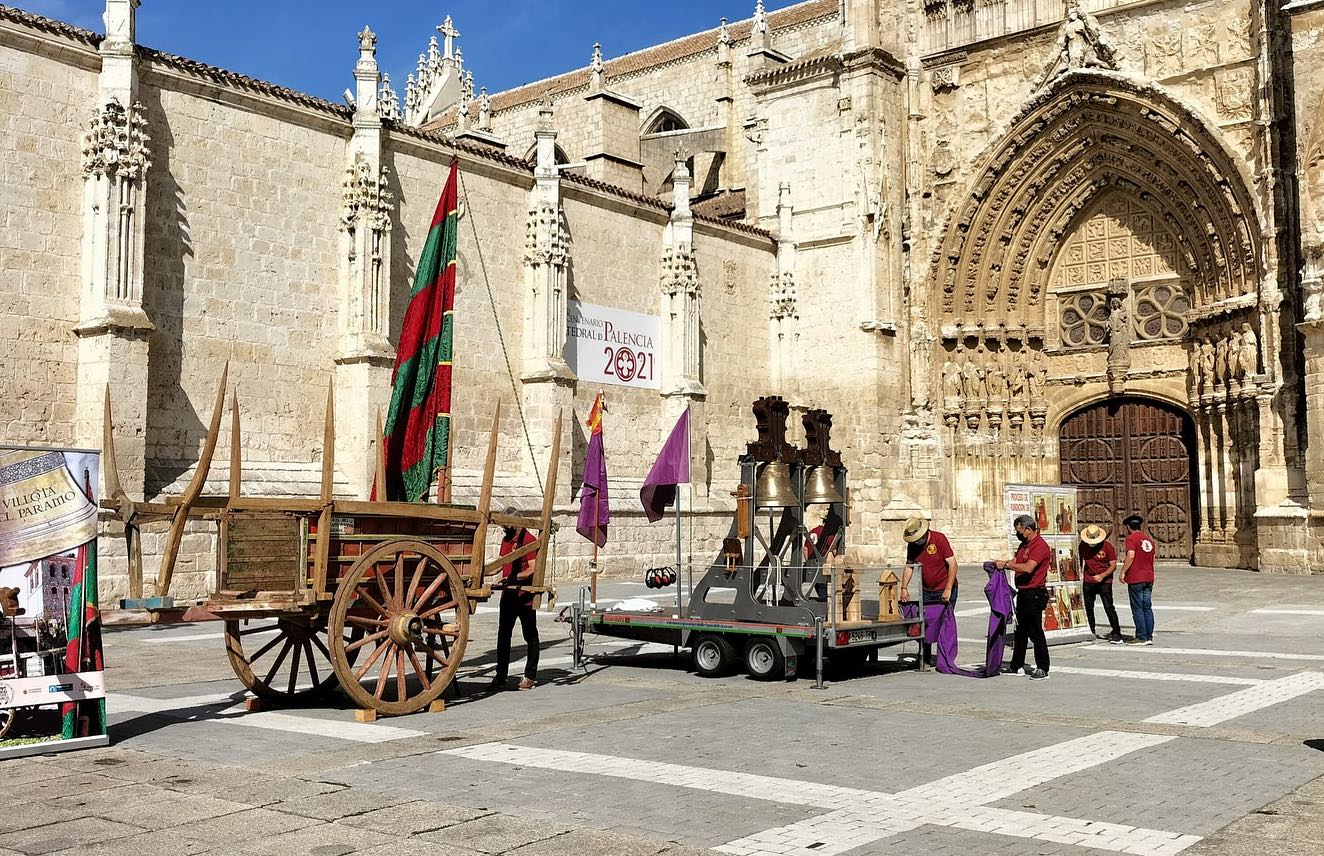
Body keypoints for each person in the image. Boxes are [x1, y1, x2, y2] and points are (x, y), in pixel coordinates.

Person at [489, 508, 540, 690]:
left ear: (517, 524)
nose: (505, 529)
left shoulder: (529, 540)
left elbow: (532, 569)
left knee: (530, 635)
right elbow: (502, 563)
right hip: (508, 595)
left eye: (507, 525)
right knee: (503, 636)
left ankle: (530, 676)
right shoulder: (506, 539)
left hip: (524, 596)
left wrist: (512, 578)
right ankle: (500, 675)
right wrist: (485, 571)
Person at [996, 514, 1051, 680]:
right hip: (1023, 593)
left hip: (1034, 593)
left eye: (1019, 530)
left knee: (1034, 631)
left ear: (1028, 529)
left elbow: (1028, 568)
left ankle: (1043, 667)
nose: (1018, 533)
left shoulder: (1040, 546)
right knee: (1020, 630)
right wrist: (1003, 563)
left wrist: (1007, 565)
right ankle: (1016, 664)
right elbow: (1015, 561)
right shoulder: (1024, 545)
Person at [900, 517, 957, 667]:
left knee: (944, 624)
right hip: (926, 590)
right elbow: (909, 566)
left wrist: (948, 588)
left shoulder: (939, 539)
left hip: (944, 588)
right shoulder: (912, 546)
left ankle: (944, 659)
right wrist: (904, 588)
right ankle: (923, 657)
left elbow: (953, 564)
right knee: (924, 624)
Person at [1079, 524, 1122, 643]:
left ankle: (1116, 632)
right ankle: (1091, 630)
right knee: (1088, 607)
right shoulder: (1083, 545)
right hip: (1088, 580)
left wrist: (1102, 576)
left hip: (1104, 581)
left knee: (1109, 607)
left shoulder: (1107, 547)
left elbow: (1113, 565)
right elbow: (1080, 559)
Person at [1119, 514, 1156, 645]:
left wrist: (1123, 571)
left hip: (1136, 578)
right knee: (1147, 607)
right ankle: (1149, 636)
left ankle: (1141, 636)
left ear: (1128, 527)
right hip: (1149, 577)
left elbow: (1131, 555)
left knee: (1137, 608)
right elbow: (1153, 558)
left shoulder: (1131, 539)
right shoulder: (1149, 540)